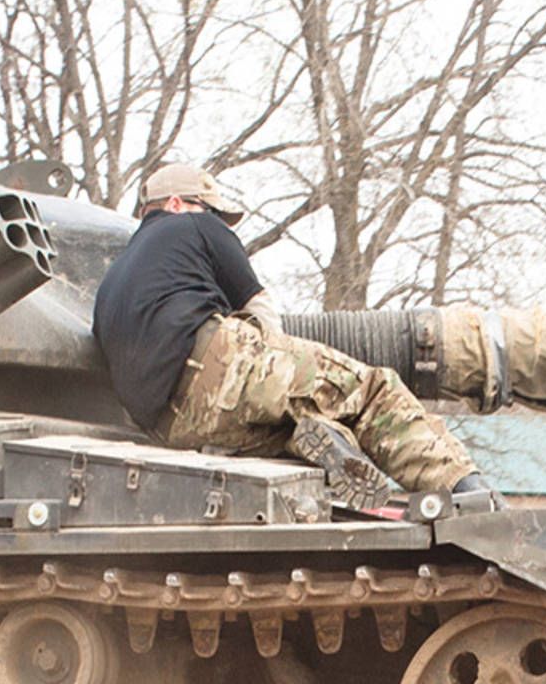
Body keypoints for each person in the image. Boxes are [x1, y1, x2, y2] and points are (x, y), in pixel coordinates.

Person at [90, 163, 496, 510]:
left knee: (290, 428)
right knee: (372, 391)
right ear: (177, 204)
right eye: (211, 210)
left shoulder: (107, 284)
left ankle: (321, 436)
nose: (216, 220)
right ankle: (468, 491)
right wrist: (280, 358)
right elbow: (260, 310)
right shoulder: (195, 227)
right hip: (216, 363)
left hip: (169, 426)